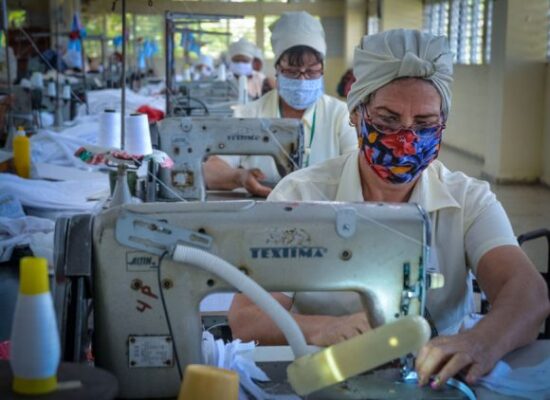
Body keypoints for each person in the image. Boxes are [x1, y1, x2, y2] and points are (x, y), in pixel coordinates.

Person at [228, 29, 550, 388]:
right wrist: (326, 328)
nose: (406, 139)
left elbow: (528, 294)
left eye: (425, 124)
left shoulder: (467, 200)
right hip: (325, 377)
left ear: (443, 123)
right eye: (387, 120)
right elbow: (246, 316)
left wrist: (481, 342)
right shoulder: (300, 196)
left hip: (435, 379)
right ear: (356, 113)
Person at [204, 11, 358, 197]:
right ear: (277, 69)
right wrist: (238, 177)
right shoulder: (249, 114)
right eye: (292, 71)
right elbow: (210, 171)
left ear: (322, 70)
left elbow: (357, 170)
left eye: (311, 71)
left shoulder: (341, 115)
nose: (302, 79)